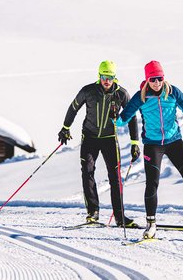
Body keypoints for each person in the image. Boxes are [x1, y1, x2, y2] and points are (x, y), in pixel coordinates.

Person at [116, 59, 183, 239]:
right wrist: (113, 116)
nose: (157, 82)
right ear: (147, 79)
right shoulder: (141, 97)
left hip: (174, 141)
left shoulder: (172, 92)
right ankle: (151, 223)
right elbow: (123, 119)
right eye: (153, 79)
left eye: (159, 78)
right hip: (152, 145)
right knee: (152, 183)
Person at [58, 60, 141, 226]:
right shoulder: (88, 91)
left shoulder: (121, 94)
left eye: (110, 77)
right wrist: (65, 128)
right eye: (104, 76)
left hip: (110, 139)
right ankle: (93, 213)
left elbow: (132, 117)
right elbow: (73, 108)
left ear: (114, 77)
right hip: (90, 137)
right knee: (87, 171)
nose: (107, 80)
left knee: (115, 177)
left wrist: (134, 142)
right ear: (99, 76)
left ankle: (120, 217)